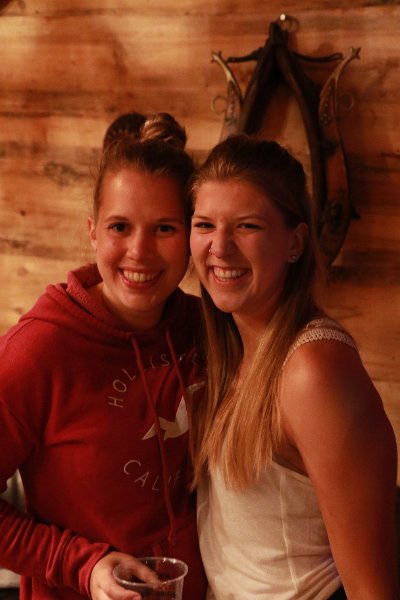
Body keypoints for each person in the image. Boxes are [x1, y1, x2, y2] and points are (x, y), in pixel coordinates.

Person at [0, 112, 207, 600]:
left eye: (164, 228)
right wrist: (83, 565)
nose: (140, 251)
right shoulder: (38, 351)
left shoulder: (204, 328)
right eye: (120, 226)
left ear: (191, 235)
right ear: (93, 232)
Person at [189, 134, 399, 599]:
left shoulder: (312, 370)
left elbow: (372, 587)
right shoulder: (229, 345)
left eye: (246, 226)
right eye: (204, 224)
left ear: (295, 243)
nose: (219, 247)